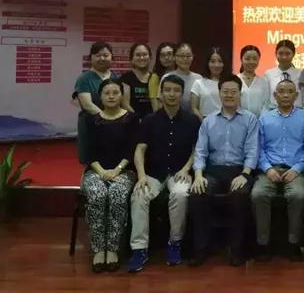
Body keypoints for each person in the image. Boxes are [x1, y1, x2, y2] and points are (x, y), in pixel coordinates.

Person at [127, 74, 201, 273]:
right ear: (161, 93)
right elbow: (140, 150)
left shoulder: (192, 121)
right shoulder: (149, 120)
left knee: (180, 194)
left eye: (176, 90)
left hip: (179, 172)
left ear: (182, 94)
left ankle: (175, 243)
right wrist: (141, 176)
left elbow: (197, 149)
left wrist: (186, 169)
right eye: (167, 90)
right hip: (153, 173)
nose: (171, 94)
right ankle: (139, 249)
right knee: (139, 195)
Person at [188, 74, 259, 267]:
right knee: (198, 193)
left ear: (239, 94)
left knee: (240, 195)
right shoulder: (208, 120)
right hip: (212, 171)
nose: (229, 95)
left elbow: (252, 150)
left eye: (233, 92)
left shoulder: (250, 119)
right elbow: (200, 151)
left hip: (239, 170)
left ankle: (237, 249)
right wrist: (198, 175)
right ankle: (201, 249)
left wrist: (245, 174)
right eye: (225, 91)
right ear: (219, 93)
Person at [251, 79, 304, 262]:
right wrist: (267, 169)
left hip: (296, 170)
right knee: (258, 194)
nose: (286, 95)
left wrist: (297, 169)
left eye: (290, 91)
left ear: (296, 95)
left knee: (298, 195)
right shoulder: (264, 119)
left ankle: (294, 243)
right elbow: (259, 149)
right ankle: (263, 244)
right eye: (281, 91)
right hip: (269, 169)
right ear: (275, 95)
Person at [81, 79, 137, 273]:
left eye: (115, 93)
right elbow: (88, 152)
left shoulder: (131, 119)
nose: (111, 96)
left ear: (122, 95)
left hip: (124, 170)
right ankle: (98, 249)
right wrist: (102, 172)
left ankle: (113, 248)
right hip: (96, 171)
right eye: (107, 93)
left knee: (117, 194)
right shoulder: (92, 120)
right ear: (100, 96)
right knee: (97, 194)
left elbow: (132, 150)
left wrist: (117, 170)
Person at [74, 41, 118, 164]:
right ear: (91, 57)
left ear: (112, 57)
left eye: (105, 55)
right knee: (91, 163)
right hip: (91, 125)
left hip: (114, 126)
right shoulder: (84, 78)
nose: (102, 58)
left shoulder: (116, 77)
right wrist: (108, 119)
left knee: (112, 159)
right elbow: (87, 105)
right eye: (98, 55)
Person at [160, 43, 202, 111]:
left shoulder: (198, 78)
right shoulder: (167, 77)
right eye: (181, 56)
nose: (185, 59)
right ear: (174, 57)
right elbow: (160, 103)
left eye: (188, 56)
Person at [264, 40, 304, 110]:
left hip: (297, 112)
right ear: (276, 54)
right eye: (280, 53)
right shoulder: (268, 74)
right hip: (274, 112)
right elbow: (266, 99)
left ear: (294, 54)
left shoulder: (301, 74)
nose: (284, 57)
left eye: (287, 54)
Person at [191, 47, 227, 121]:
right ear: (207, 63)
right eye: (212, 61)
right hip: (204, 121)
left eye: (220, 61)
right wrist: (204, 122)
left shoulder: (229, 83)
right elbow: (194, 108)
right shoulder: (198, 83)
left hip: (226, 121)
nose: (216, 65)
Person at [120, 43, 153, 118]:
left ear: (150, 57)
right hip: (132, 120)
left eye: (145, 54)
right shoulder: (126, 78)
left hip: (152, 121)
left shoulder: (155, 77)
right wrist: (137, 119)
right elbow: (125, 104)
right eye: (138, 55)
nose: (142, 57)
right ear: (132, 59)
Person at [238, 45, 270, 117]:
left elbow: (266, 104)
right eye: (247, 59)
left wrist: (260, 120)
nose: (251, 62)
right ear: (241, 59)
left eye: (255, 59)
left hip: (258, 120)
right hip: (238, 120)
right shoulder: (235, 80)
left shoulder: (263, 81)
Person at [149, 42, 176, 112]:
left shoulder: (182, 73)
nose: (166, 58)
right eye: (162, 55)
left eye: (169, 54)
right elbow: (155, 107)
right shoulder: (155, 77)